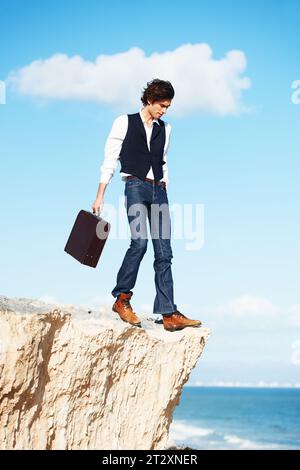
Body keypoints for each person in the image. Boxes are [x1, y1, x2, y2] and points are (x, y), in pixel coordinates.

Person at [92, 79, 201, 331]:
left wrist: (164, 186)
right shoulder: (124, 122)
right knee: (139, 243)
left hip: (159, 190)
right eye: (162, 105)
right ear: (150, 100)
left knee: (164, 252)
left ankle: (169, 313)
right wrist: (100, 195)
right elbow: (109, 160)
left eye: (168, 107)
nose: (164, 110)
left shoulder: (167, 128)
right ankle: (122, 298)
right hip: (135, 186)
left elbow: (162, 161)